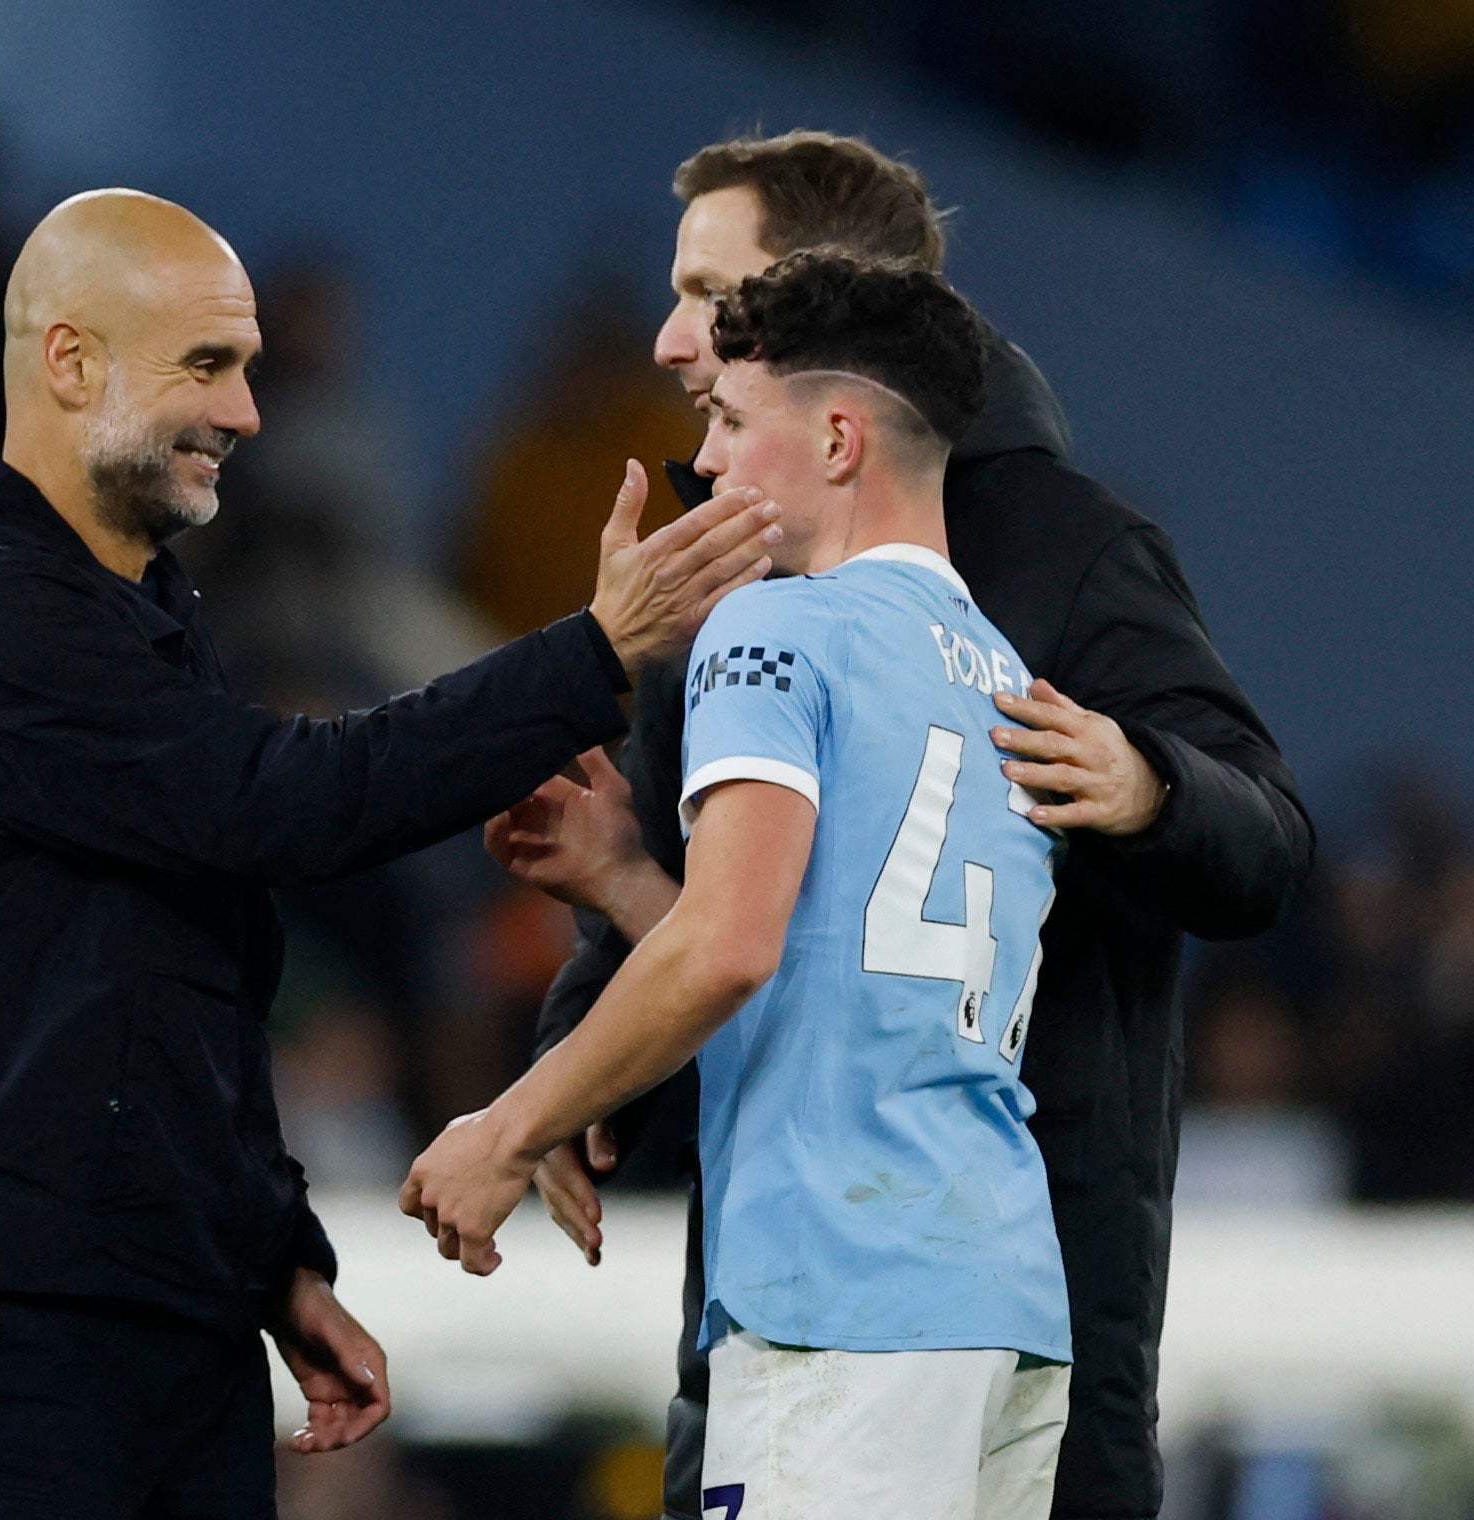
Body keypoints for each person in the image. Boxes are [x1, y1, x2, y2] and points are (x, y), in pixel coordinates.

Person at [0, 189, 783, 1520]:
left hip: (143, 1300)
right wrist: (593, 653)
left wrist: (266, 1257)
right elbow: (287, 801)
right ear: (69, 360)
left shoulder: (131, 617)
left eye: (250, 371)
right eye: (208, 365)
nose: (246, 413)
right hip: (21, 1320)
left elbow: (162, 977)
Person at [514, 131, 1314, 1520]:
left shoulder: (1065, 550)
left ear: (834, 317)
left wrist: (1149, 783)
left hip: (999, 1270)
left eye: (711, 292)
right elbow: (721, 897)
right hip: (836, 1269)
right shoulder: (736, 556)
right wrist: (589, 1082)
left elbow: (1271, 845)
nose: (668, 339)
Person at [403, 252, 1073, 1518]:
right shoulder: (1007, 679)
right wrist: (619, 875)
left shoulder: (775, 629)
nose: (702, 462)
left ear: (835, 435)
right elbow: (837, 979)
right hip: (997, 1298)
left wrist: (509, 1127)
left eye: (724, 419)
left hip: (840, 1291)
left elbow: (730, 948)